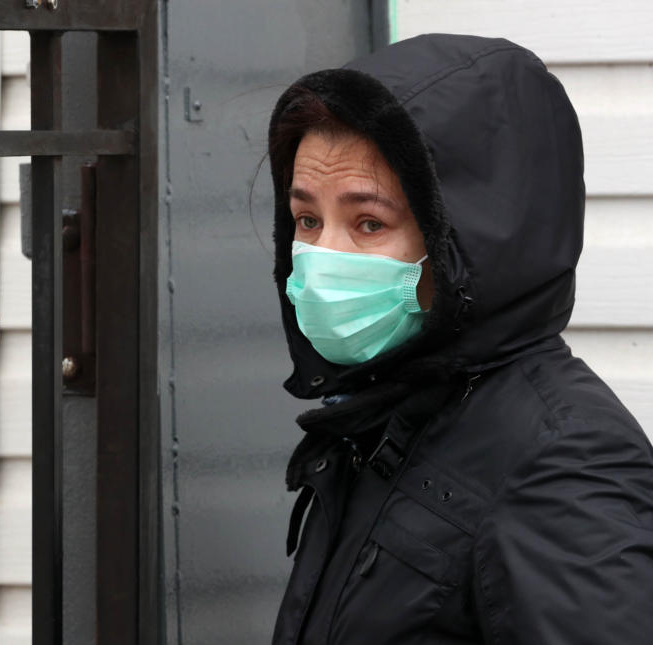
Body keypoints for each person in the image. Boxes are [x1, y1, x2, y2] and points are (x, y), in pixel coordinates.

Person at [267, 33, 653, 644]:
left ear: (472, 242)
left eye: (369, 223)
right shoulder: (390, 409)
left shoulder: (563, 461)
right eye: (308, 219)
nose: (320, 257)